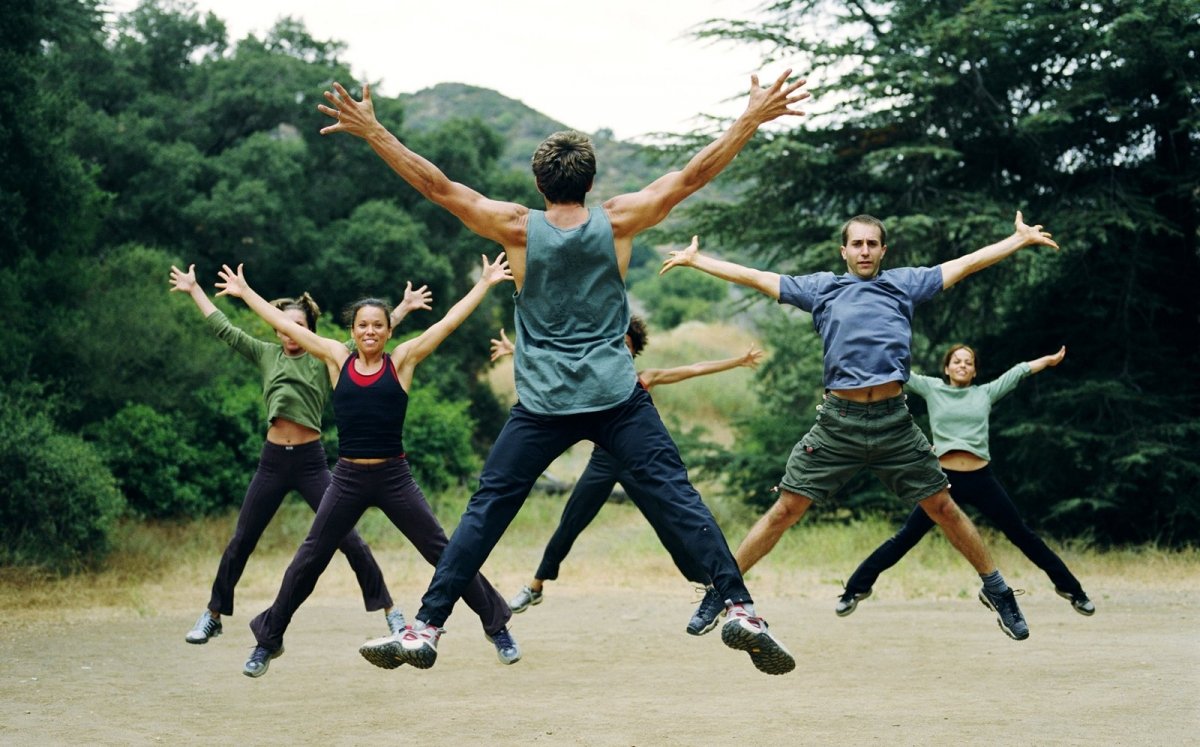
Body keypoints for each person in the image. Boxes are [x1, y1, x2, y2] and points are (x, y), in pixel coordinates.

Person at [321, 69, 808, 675]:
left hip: (544, 403)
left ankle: (426, 627)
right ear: (592, 181)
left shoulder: (516, 228)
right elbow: (694, 175)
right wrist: (750, 120)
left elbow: (439, 187)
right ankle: (740, 609)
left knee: (486, 510)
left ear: (538, 181)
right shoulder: (621, 220)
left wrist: (375, 132)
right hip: (616, 395)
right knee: (678, 496)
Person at [660, 214, 1059, 642]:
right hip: (838, 424)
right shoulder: (822, 289)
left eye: (873, 244)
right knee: (786, 510)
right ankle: (722, 590)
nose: (865, 251)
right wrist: (698, 261)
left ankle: (996, 590)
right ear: (844, 251)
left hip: (894, 423)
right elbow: (758, 277)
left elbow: (964, 263)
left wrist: (1015, 242)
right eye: (857, 244)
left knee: (943, 507)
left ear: (883, 251)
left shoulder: (904, 284)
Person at [211, 255, 520, 678]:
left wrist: (484, 284)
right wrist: (246, 294)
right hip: (349, 477)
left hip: (394, 476)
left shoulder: (403, 360)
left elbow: (447, 323)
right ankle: (268, 640)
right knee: (310, 557)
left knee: (446, 552)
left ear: (389, 329)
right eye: (362, 325)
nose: (370, 331)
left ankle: (497, 626)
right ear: (352, 331)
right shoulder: (337, 358)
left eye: (378, 325)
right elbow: (288, 327)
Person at [169, 265, 431, 646]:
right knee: (243, 538)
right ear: (278, 329)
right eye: (286, 325)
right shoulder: (264, 354)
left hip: (311, 462)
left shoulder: (324, 357)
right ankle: (213, 614)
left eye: (301, 326)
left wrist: (402, 309)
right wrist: (195, 290)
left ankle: (390, 612)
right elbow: (223, 328)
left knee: (350, 540)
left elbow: (369, 336)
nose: (293, 332)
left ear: (310, 330)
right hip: (273, 461)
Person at [491, 319, 763, 632]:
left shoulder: (644, 378)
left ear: (633, 351)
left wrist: (738, 361)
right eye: (614, 341)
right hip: (602, 463)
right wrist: (514, 349)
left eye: (626, 343)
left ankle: (718, 590)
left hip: (637, 465)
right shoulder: (593, 376)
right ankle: (535, 586)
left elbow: (695, 368)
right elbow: (553, 362)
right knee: (570, 522)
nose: (619, 346)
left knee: (671, 528)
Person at [836, 343, 1096, 617]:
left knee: (1022, 534)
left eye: (968, 362)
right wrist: (861, 350)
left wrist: (1049, 360)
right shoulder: (933, 388)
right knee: (906, 537)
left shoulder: (985, 392)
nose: (962, 365)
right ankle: (854, 590)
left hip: (981, 479)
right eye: (957, 361)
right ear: (947, 368)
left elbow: (1019, 372)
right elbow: (896, 371)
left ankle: (1073, 591)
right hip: (942, 481)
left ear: (974, 372)